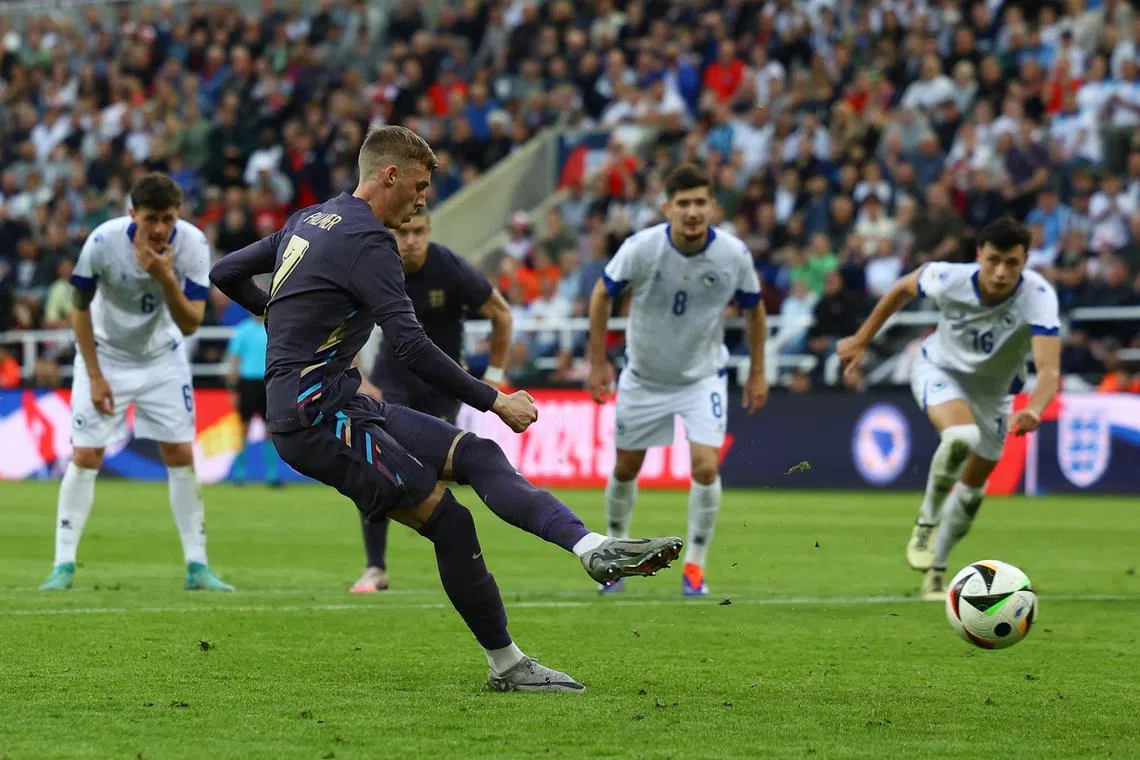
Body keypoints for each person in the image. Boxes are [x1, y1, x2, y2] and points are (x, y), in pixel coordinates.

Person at [209, 125, 682, 693]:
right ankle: (508, 665)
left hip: (341, 401)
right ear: (390, 176)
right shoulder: (371, 243)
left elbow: (225, 272)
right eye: (420, 184)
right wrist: (495, 399)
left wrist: (276, 315)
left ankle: (591, 548)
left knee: (479, 455)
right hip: (315, 417)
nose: (423, 197)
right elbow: (409, 345)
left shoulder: (308, 220)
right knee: (452, 523)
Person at [836, 217, 1062, 601]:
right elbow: (902, 288)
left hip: (995, 397)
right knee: (960, 436)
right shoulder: (948, 277)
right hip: (939, 370)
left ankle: (936, 571)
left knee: (972, 494)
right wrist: (862, 339)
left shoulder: (1038, 296)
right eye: (993, 260)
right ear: (979, 256)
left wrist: (1035, 409)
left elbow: (1049, 369)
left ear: (1025, 261)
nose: (1002, 272)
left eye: (1012, 262)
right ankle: (925, 523)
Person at [40, 173, 233, 592]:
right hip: (105, 356)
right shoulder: (102, 243)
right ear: (132, 215)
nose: (160, 229)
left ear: (178, 216)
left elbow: (191, 324)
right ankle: (64, 565)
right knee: (86, 454)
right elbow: (78, 308)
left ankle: (197, 567)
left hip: (162, 359)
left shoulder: (194, 245)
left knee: (180, 452)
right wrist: (93, 375)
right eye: (150, 219)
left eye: (168, 218)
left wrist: (165, 276)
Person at [586, 163, 770, 597]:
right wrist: (597, 363)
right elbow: (601, 294)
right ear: (667, 207)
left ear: (713, 206)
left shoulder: (733, 254)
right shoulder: (641, 247)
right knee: (626, 466)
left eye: (700, 202)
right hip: (644, 377)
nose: (692, 211)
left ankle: (695, 566)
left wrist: (758, 371)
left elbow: (754, 309)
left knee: (706, 466)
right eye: (683, 203)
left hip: (701, 378)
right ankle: (614, 555)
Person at [350, 208, 512, 594]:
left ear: (429, 231)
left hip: (441, 385)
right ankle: (375, 568)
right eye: (404, 232)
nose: (411, 240)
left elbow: (501, 314)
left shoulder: (449, 268)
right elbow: (338, 321)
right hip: (393, 378)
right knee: (374, 463)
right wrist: (361, 381)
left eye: (419, 231)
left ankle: (454, 554)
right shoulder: (376, 266)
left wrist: (494, 375)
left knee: (429, 471)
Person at [225, 313, 282, 487]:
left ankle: (272, 476)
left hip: (269, 382)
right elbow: (234, 361)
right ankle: (239, 474)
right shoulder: (242, 330)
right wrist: (234, 389)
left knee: (271, 430)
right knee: (243, 428)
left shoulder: (274, 329)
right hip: (247, 382)